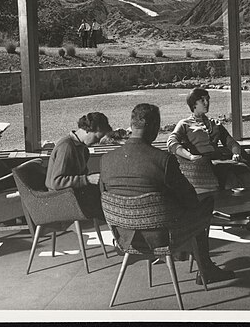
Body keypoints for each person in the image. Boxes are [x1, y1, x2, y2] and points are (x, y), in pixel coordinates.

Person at [100, 103, 236, 284]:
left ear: (131, 125)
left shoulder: (106, 160)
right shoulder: (163, 160)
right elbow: (189, 199)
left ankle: (188, 257)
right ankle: (205, 268)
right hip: (162, 237)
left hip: (125, 237)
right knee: (203, 205)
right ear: (155, 127)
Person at [167, 87, 250, 191]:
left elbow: (231, 142)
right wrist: (190, 156)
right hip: (203, 163)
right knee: (231, 182)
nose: (206, 103)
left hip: (221, 160)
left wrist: (236, 153)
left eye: (208, 99)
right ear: (193, 104)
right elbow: (172, 142)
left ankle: (249, 206)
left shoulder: (215, 123)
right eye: (202, 100)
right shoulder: (184, 124)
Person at [45, 111, 108, 218]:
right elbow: (56, 182)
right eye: (97, 137)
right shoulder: (66, 147)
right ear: (88, 131)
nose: (97, 142)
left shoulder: (82, 148)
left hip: (70, 194)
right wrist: (87, 179)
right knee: (108, 202)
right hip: (60, 199)